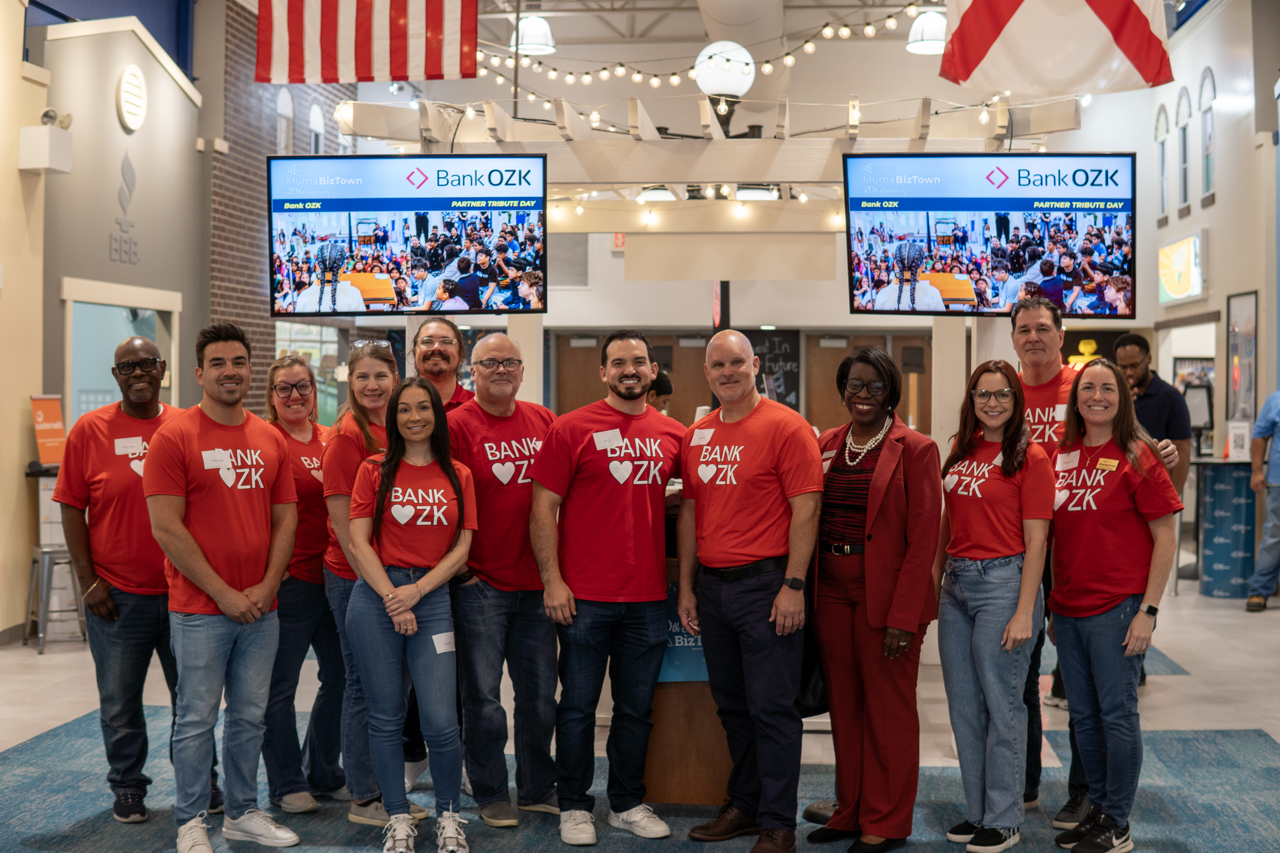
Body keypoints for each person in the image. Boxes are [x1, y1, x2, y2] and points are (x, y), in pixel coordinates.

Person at [143, 323, 301, 852]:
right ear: (199, 373)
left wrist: (267, 585)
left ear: (250, 370)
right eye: (217, 363)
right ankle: (191, 820)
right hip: (200, 610)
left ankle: (241, 812)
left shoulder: (269, 437)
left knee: (250, 717)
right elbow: (166, 527)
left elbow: (286, 518)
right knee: (195, 719)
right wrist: (223, 593)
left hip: (262, 609)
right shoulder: (174, 437)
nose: (229, 371)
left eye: (238, 362)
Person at [54, 336, 221, 824]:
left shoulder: (188, 426)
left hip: (184, 593)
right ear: (116, 375)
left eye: (147, 363)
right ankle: (127, 785)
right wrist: (88, 581)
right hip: (116, 596)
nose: (138, 373)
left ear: (163, 368)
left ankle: (200, 781)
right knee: (119, 702)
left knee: (193, 701)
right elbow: (71, 507)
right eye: (127, 367)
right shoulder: (89, 431)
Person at [529, 330, 685, 847]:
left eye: (638, 361)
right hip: (585, 597)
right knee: (576, 708)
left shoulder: (674, 434)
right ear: (604, 372)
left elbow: (687, 503)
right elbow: (543, 508)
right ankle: (574, 805)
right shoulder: (571, 428)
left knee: (636, 710)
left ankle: (625, 803)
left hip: (647, 597)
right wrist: (552, 580)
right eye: (618, 362)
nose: (629, 370)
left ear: (653, 370)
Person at [677, 332, 824, 853]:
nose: (728, 372)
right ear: (707, 373)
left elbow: (807, 509)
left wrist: (793, 585)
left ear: (756, 365)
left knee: (772, 710)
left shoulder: (787, 427)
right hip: (713, 590)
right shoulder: (697, 434)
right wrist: (687, 587)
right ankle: (745, 805)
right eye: (718, 365)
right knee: (732, 707)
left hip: (766, 587)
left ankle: (779, 823)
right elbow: (690, 512)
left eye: (737, 362)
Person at [806, 348, 942, 853]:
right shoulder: (828, 442)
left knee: (888, 710)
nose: (863, 395)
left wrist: (904, 616)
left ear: (891, 394)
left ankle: (886, 821)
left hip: (885, 594)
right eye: (854, 385)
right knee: (844, 708)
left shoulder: (916, 448)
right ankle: (851, 810)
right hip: (830, 589)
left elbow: (923, 539)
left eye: (875, 387)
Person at [1049, 360, 1181, 853]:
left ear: (1122, 398)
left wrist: (1149, 611)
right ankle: (1098, 810)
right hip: (1068, 608)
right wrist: (1052, 606)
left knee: (1117, 715)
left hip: (1118, 608)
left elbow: (1165, 536)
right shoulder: (1061, 453)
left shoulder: (1138, 454)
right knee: (1083, 718)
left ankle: (1117, 822)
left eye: (1108, 388)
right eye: (1088, 387)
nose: (1097, 396)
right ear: (1075, 398)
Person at [347, 377, 477, 853]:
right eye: (404, 409)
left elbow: (462, 548)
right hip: (376, 599)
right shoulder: (373, 470)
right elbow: (358, 541)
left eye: (423, 408)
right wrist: (393, 597)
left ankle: (449, 816)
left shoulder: (458, 474)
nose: (414, 417)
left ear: (437, 416)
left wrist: (417, 591)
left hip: (433, 598)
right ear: (393, 417)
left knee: (441, 720)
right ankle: (398, 817)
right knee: (385, 716)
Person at [932, 361, 1053, 853]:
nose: (993, 402)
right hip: (957, 586)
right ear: (972, 400)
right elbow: (949, 518)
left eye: (1003, 394)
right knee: (964, 706)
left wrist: (1026, 611)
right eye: (983, 394)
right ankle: (979, 811)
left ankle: (1005, 818)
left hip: (1004, 584)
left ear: (1016, 400)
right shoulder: (961, 449)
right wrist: (935, 577)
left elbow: (1038, 539)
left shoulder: (1031, 457)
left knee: (1003, 707)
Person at [448, 334, 559, 827]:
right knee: (484, 700)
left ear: (522, 369)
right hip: (482, 586)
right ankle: (490, 791)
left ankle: (537, 787)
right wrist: (464, 572)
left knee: (539, 696)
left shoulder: (544, 420)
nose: (500, 369)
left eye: (509, 361)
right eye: (489, 361)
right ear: (472, 371)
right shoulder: (455, 425)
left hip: (537, 584)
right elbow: (442, 499)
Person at [322, 343, 429, 827]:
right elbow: (344, 528)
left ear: (396, 378)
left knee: (388, 691)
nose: (372, 385)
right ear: (350, 381)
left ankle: (383, 791)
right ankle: (365, 798)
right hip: (356, 580)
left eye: (381, 376)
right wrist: (382, 591)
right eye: (362, 377)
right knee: (365, 688)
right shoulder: (349, 436)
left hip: (393, 580)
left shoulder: (398, 426)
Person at [260, 355, 348, 814]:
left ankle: (324, 772)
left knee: (342, 679)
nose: (295, 395)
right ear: (271, 396)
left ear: (315, 391)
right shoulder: (264, 440)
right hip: (290, 582)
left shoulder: (331, 438)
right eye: (284, 388)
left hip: (333, 578)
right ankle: (286, 782)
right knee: (280, 686)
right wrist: (275, 571)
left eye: (303, 386)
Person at [1114, 333, 1191, 496]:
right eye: (1123, 367)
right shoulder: (1113, 397)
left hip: (1156, 487)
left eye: (1134, 366)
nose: (1129, 373)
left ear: (1148, 358)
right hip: (1118, 486)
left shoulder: (1170, 397)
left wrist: (1172, 497)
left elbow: (1182, 450)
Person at [1246, 389, 1280, 611]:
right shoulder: (1276, 400)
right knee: (1274, 537)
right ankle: (1258, 591)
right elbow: (1259, 436)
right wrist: (1257, 471)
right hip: (1278, 483)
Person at [413, 317, 476, 412]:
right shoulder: (396, 404)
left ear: (460, 354)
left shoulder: (480, 406)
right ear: (414, 353)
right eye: (427, 341)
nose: (436, 347)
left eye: (446, 342)